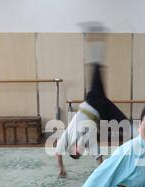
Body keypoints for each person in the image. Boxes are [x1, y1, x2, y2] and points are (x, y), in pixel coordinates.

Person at [55, 24, 128, 177]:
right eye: (80, 154)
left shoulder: (67, 137)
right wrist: (103, 173)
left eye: (77, 152)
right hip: (101, 109)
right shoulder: (88, 143)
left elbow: (57, 152)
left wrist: (61, 168)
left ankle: (91, 36)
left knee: (96, 68)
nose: (80, 151)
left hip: (92, 102)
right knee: (125, 125)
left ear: (72, 148)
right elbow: (98, 157)